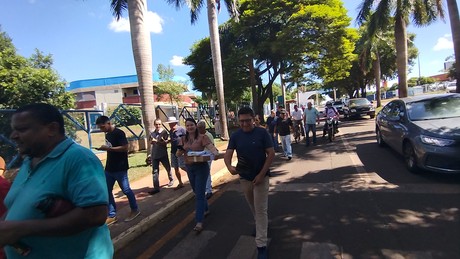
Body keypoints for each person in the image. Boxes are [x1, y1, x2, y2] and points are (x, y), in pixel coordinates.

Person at [1, 103, 113, 258]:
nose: (13, 136)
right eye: (14, 129)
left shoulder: (78, 159)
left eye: (22, 129)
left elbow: (95, 215)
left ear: (52, 129)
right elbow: (17, 207)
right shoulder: (29, 161)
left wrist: (21, 229)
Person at [224, 107, 275, 259]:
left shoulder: (262, 133)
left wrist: (261, 175)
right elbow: (228, 155)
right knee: (253, 206)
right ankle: (262, 226)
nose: (245, 124)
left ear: (254, 119)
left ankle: (261, 246)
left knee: (260, 209)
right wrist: (229, 167)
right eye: (241, 121)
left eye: (247, 120)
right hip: (244, 177)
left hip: (261, 178)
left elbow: (271, 154)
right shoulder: (236, 135)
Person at [176, 118, 219, 233]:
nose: (189, 127)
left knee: (199, 194)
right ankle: (205, 208)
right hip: (190, 168)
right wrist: (181, 150)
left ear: (195, 126)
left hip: (201, 168)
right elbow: (178, 153)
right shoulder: (183, 139)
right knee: (197, 191)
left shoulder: (202, 137)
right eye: (187, 125)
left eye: (191, 125)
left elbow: (211, 147)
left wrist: (215, 153)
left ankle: (199, 221)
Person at [96, 115, 140, 225]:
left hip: (120, 168)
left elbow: (125, 147)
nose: (102, 129)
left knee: (126, 190)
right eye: (100, 128)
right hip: (109, 168)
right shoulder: (108, 134)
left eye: (102, 127)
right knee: (107, 190)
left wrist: (109, 148)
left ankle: (135, 209)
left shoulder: (119, 133)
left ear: (108, 123)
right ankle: (112, 215)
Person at [146, 119, 174, 195]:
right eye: (156, 124)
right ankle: (156, 188)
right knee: (155, 171)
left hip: (163, 154)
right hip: (154, 154)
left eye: (159, 124)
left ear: (161, 124)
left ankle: (171, 179)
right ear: (154, 125)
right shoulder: (152, 133)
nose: (158, 126)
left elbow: (165, 143)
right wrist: (152, 141)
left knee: (167, 167)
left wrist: (158, 142)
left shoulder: (164, 132)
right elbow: (150, 141)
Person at [167, 116, 187, 190]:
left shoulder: (182, 129)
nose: (170, 125)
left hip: (181, 151)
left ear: (175, 122)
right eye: (169, 123)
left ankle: (193, 175)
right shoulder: (171, 131)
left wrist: (184, 148)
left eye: (171, 123)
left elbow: (187, 139)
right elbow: (173, 140)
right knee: (175, 168)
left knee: (183, 166)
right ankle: (180, 182)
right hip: (173, 151)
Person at [197, 120, 214, 199]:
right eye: (198, 128)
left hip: (208, 156)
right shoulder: (198, 136)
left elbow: (212, 146)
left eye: (200, 128)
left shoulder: (208, 135)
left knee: (207, 173)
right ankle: (206, 188)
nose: (199, 129)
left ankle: (209, 190)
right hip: (201, 157)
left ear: (204, 127)